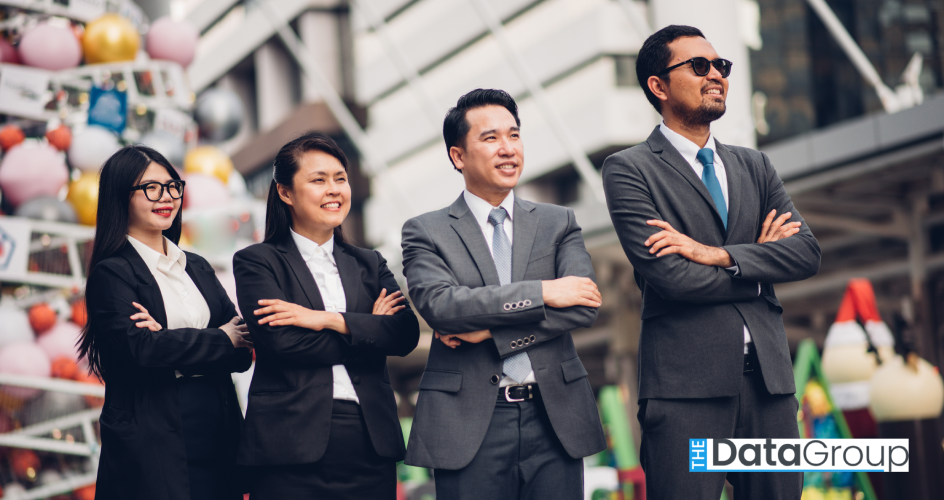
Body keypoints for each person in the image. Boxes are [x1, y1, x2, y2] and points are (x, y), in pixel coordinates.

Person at [601, 25, 821, 500]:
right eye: (698, 66)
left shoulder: (755, 166)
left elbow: (806, 253)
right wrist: (759, 268)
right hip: (685, 391)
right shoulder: (628, 169)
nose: (716, 75)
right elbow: (672, 277)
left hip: (769, 387)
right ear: (658, 86)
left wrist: (718, 255)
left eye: (721, 65)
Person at [401, 89, 606, 500]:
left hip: (555, 417)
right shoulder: (425, 231)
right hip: (469, 422)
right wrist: (544, 292)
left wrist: (492, 335)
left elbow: (583, 303)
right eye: (491, 138)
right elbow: (444, 307)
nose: (508, 148)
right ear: (458, 156)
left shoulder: (557, 222)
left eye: (514, 135)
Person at [232, 131, 420, 499]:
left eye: (340, 179)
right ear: (286, 192)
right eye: (318, 180)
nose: (334, 189)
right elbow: (283, 343)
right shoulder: (258, 262)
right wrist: (368, 328)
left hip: (370, 442)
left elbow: (403, 333)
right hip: (290, 446)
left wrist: (327, 319)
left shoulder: (369, 263)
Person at [79, 145, 254, 500]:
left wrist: (170, 340)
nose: (167, 197)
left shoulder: (198, 266)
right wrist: (220, 338)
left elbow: (242, 351)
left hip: (218, 427)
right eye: (151, 188)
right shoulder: (112, 274)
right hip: (154, 436)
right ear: (120, 195)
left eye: (173, 186)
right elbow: (142, 352)